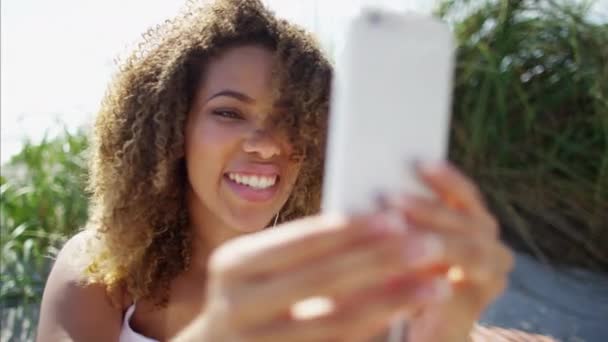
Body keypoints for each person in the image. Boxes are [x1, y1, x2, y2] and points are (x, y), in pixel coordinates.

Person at [36, 0, 514, 341]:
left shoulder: (331, 283)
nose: (267, 145)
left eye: (290, 121)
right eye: (229, 112)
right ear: (172, 130)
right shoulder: (101, 270)